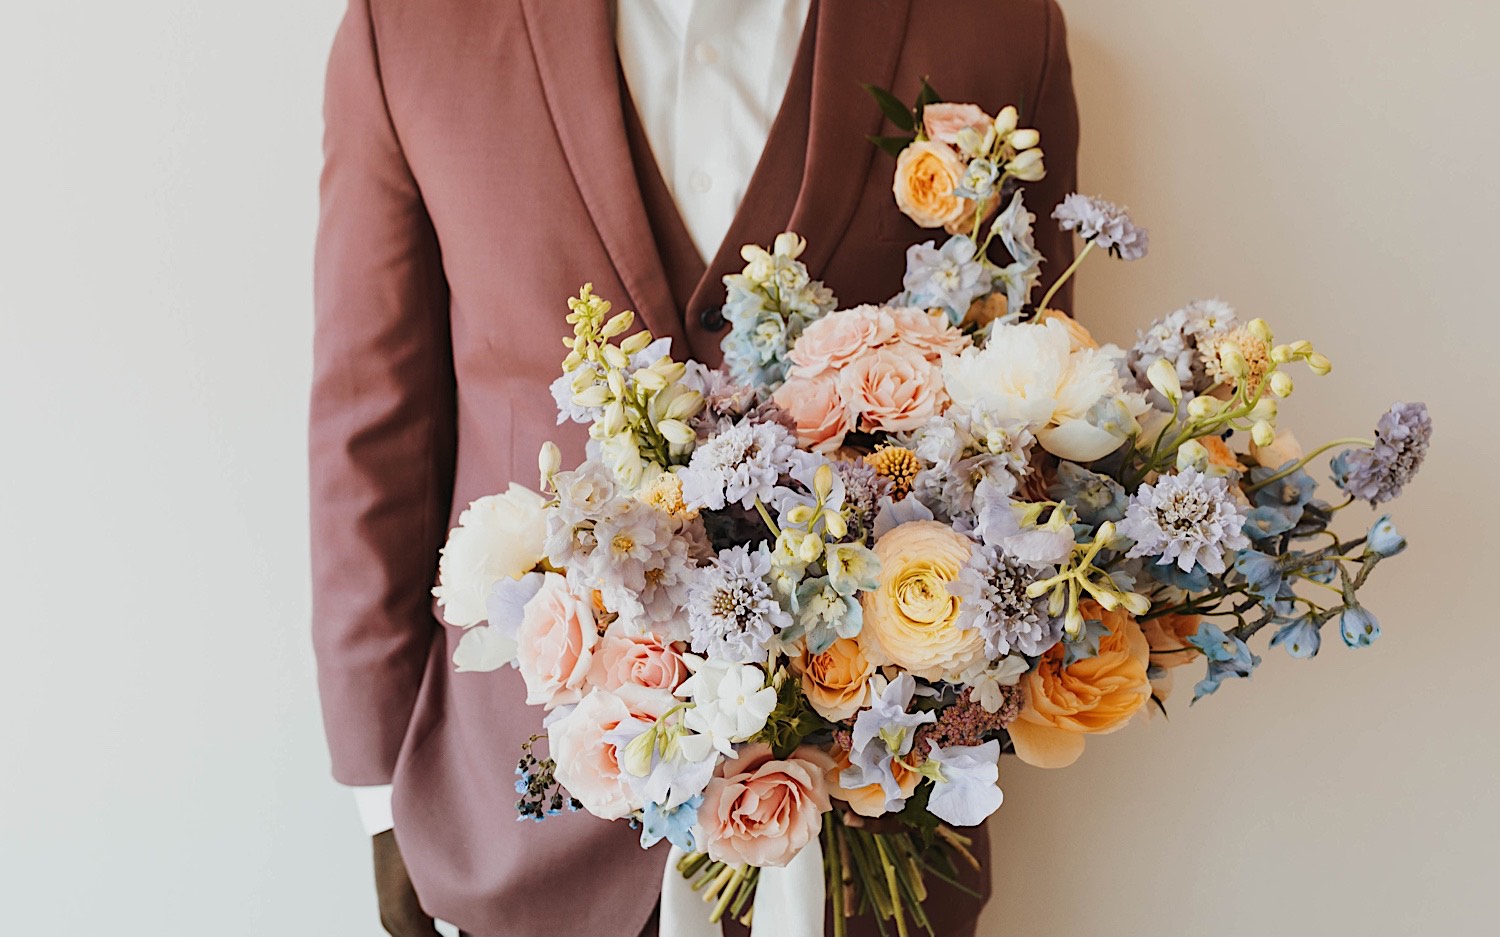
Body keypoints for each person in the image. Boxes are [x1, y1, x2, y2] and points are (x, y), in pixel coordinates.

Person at [310, 1, 1079, 934]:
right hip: (517, 822)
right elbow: (376, 421)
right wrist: (380, 798)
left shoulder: (999, 27)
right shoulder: (411, 30)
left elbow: (1032, 415)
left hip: (870, 837)